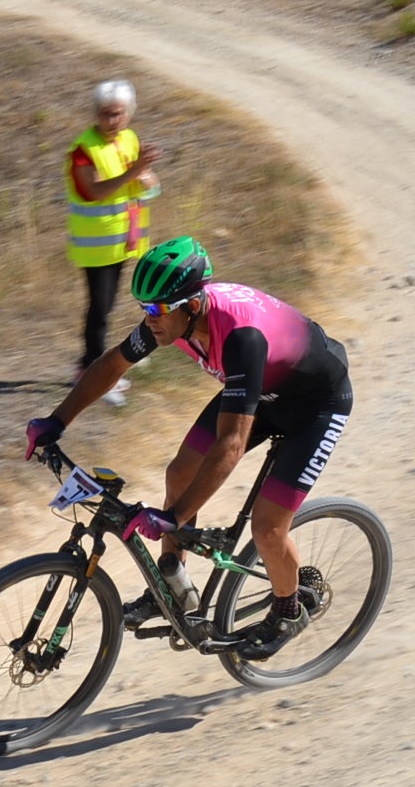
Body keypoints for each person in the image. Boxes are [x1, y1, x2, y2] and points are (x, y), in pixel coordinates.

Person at [24, 237, 353, 662]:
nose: (149, 319)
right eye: (144, 308)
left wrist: (175, 517)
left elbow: (231, 444)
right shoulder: (169, 317)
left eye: (158, 310)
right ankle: (173, 590)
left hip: (315, 405)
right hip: (264, 391)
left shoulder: (241, 338)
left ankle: (289, 611)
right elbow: (111, 365)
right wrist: (58, 420)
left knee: (268, 528)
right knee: (179, 473)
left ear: (193, 305)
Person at [64, 79, 161, 408]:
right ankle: (91, 371)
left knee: (112, 305)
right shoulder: (83, 149)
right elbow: (95, 192)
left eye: (118, 114)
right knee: (100, 309)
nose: (112, 120)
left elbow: (149, 185)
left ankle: (113, 361)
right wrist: (136, 171)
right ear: (96, 114)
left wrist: (147, 177)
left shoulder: (130, 139)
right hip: (95, 245)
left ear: (129, 114)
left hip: (124, 239)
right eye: (106, 114)